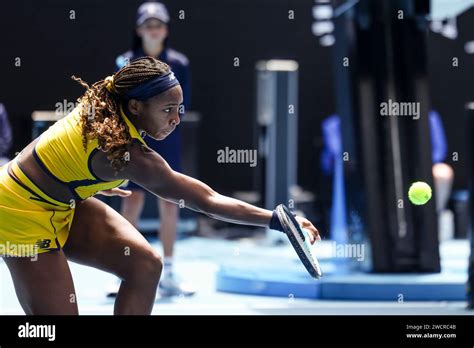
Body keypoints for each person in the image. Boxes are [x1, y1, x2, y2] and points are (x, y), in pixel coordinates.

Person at [0, 56, 320, 315]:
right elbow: (205, 200)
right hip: (17, 214)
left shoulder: (111, 100)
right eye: (167, 110)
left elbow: (62, 154)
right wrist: (276, 220)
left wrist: (84, 181)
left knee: (144, 266)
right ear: (136, 107)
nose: (176, 120)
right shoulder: (128, 154)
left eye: (178, 109)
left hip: (57, 201)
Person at [114, 1, 192, 297]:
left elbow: (183, 105)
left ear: (166, 30)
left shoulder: (180, 63)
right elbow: (117, 103)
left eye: (158, 24)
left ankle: (169, 271)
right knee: (131, 201)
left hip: (168, 143)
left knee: (170, 202)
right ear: (139, 30)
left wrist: (164, 123)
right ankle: (123, 268)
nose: (154, 30)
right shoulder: (124, 61)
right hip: (133, 142)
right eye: (148, 25)